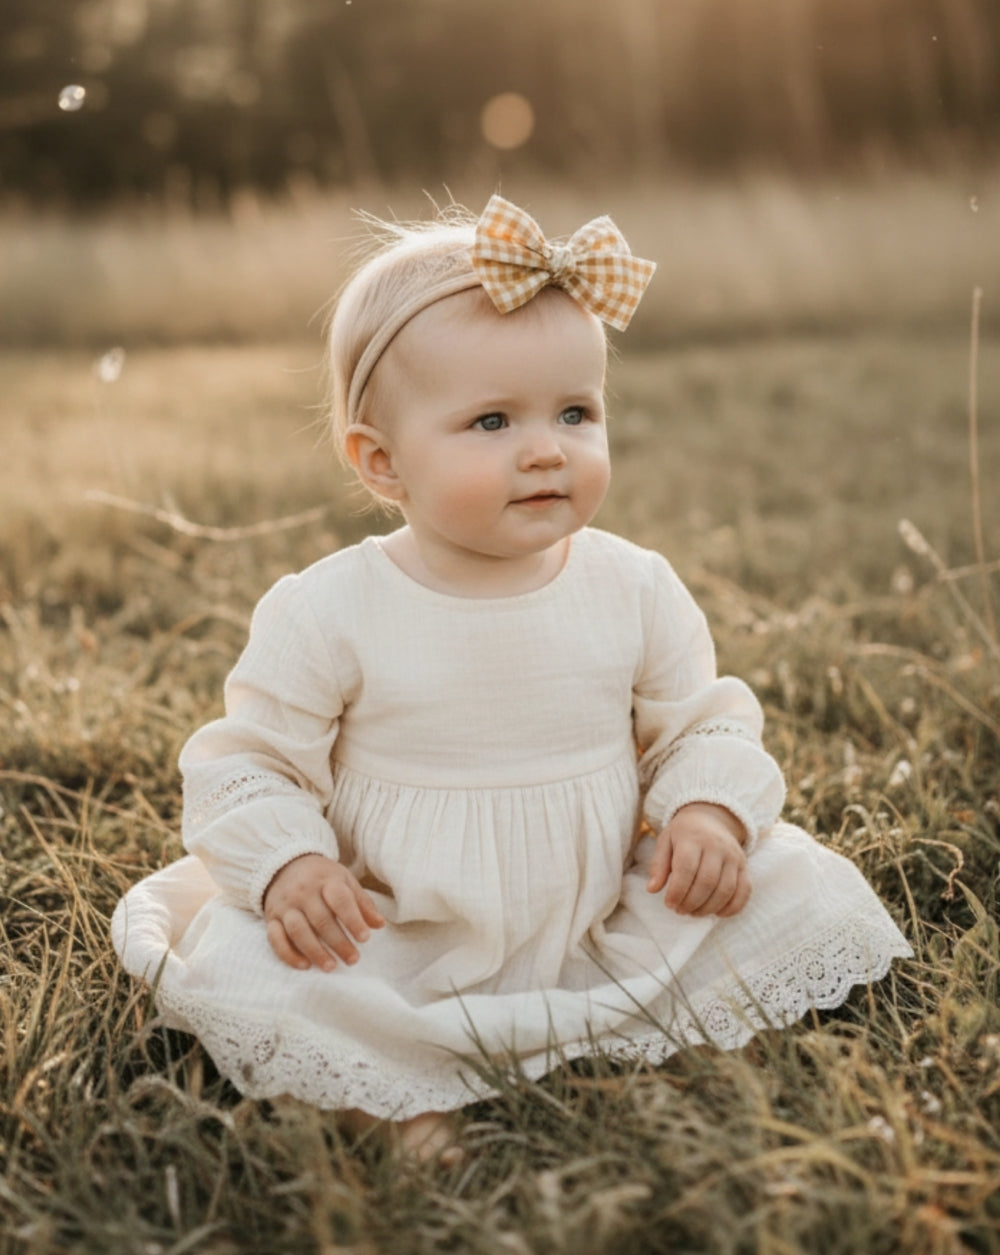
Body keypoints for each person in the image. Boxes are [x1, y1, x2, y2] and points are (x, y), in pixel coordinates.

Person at [112, 195, 911, 1160]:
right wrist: (292, 864)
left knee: (796, 881)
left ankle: (673, 1036)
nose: (546, 447)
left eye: (576, 412)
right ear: (382, 462)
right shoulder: (328, 609)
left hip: (596, 910)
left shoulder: (632, 585)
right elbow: (246, 763)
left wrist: (707, 813)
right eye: (492, 420)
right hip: (400, 923)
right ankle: (397, 1103)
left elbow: (703, 722)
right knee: (254, 957)